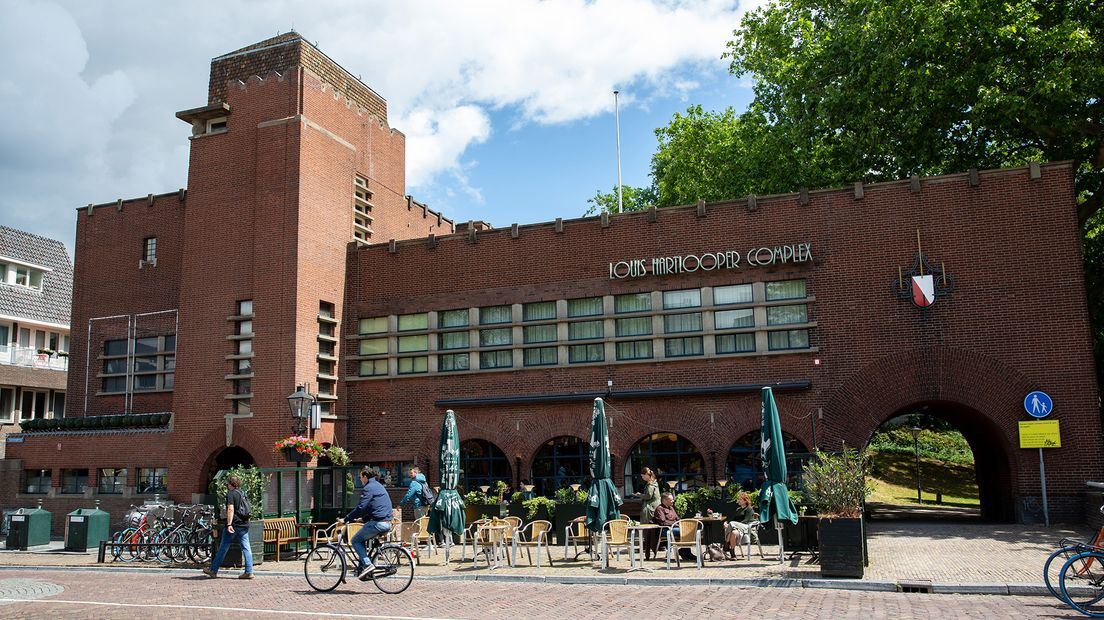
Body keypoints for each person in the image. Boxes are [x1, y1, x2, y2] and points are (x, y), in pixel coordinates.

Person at [337, 467, 394, 580]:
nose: (360, 479)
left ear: (365, 477)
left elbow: (361, 507)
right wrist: (363, 519)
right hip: (387, 522)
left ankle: (368, 565)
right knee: (362, 539)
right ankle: (362, 568)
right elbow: (373, 507)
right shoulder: (378, 486)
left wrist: (346, 519)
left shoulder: (369, 488)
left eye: (360, 477)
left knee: (355, 540)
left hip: (378, 523)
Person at [203, 475, 254, 579]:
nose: (227, 485)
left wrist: (229, 524)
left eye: (228, 483)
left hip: (234, 524)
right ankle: (249, 571)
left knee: (223, 547)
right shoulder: (242, 493)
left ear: (230, 484)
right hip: (244, 523)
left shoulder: (231, 494)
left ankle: (213, 570)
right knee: (246, 548)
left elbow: (230, 509)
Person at [724, 491, 758, 560]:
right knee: (733, 532)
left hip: (745, 527)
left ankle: (726, 544)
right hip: (736, 528)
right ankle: (732, 554)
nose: (738, 501)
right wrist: (726, 522)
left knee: (731, 524)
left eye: (740, 499)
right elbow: (732, 518)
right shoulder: (738, 509)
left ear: (745, 501)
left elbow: (746, 520)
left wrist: (734, 525)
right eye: (738, 499)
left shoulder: (749, 509)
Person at [638, 467, 661, 560]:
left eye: (643, 476)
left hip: (650, 510)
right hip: (654, 509)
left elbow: (648, 496)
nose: (642, 478)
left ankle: (649, 552)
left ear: (647, 475)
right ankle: (651, 551)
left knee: (648, 531)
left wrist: (639, 495)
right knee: (650, 532)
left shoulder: (650, 484)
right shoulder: (654, 483)